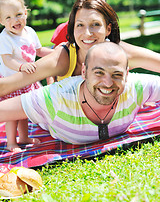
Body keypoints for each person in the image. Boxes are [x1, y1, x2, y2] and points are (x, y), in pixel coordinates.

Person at [0, 42, 160, 144]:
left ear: (127, 74)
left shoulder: (135, 87)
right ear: (84, 71)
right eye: (99, 72)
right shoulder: (57, 97)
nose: (108, 83)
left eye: (117, 74)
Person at [0, 0, 160, 97]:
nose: (88, 33)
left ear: (108, 29)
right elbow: (7, 86)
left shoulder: (122, 53)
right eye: (80, 25)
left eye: (95, 24)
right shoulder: (63, 57)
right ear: (72, 29)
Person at [0, 0, 53, 151]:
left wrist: (57, 53)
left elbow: (39, 50)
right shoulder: (5, 37)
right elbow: (7, 59)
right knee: (11, 114)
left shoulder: (29, 32)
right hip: (13, 81)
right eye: (8, 17)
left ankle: (23, 137)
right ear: (1, 20)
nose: (14, 20)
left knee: (23, 110)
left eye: (18, 14)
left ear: (26, 13)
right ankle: (11, 142)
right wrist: (21, 66)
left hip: (27, 80)